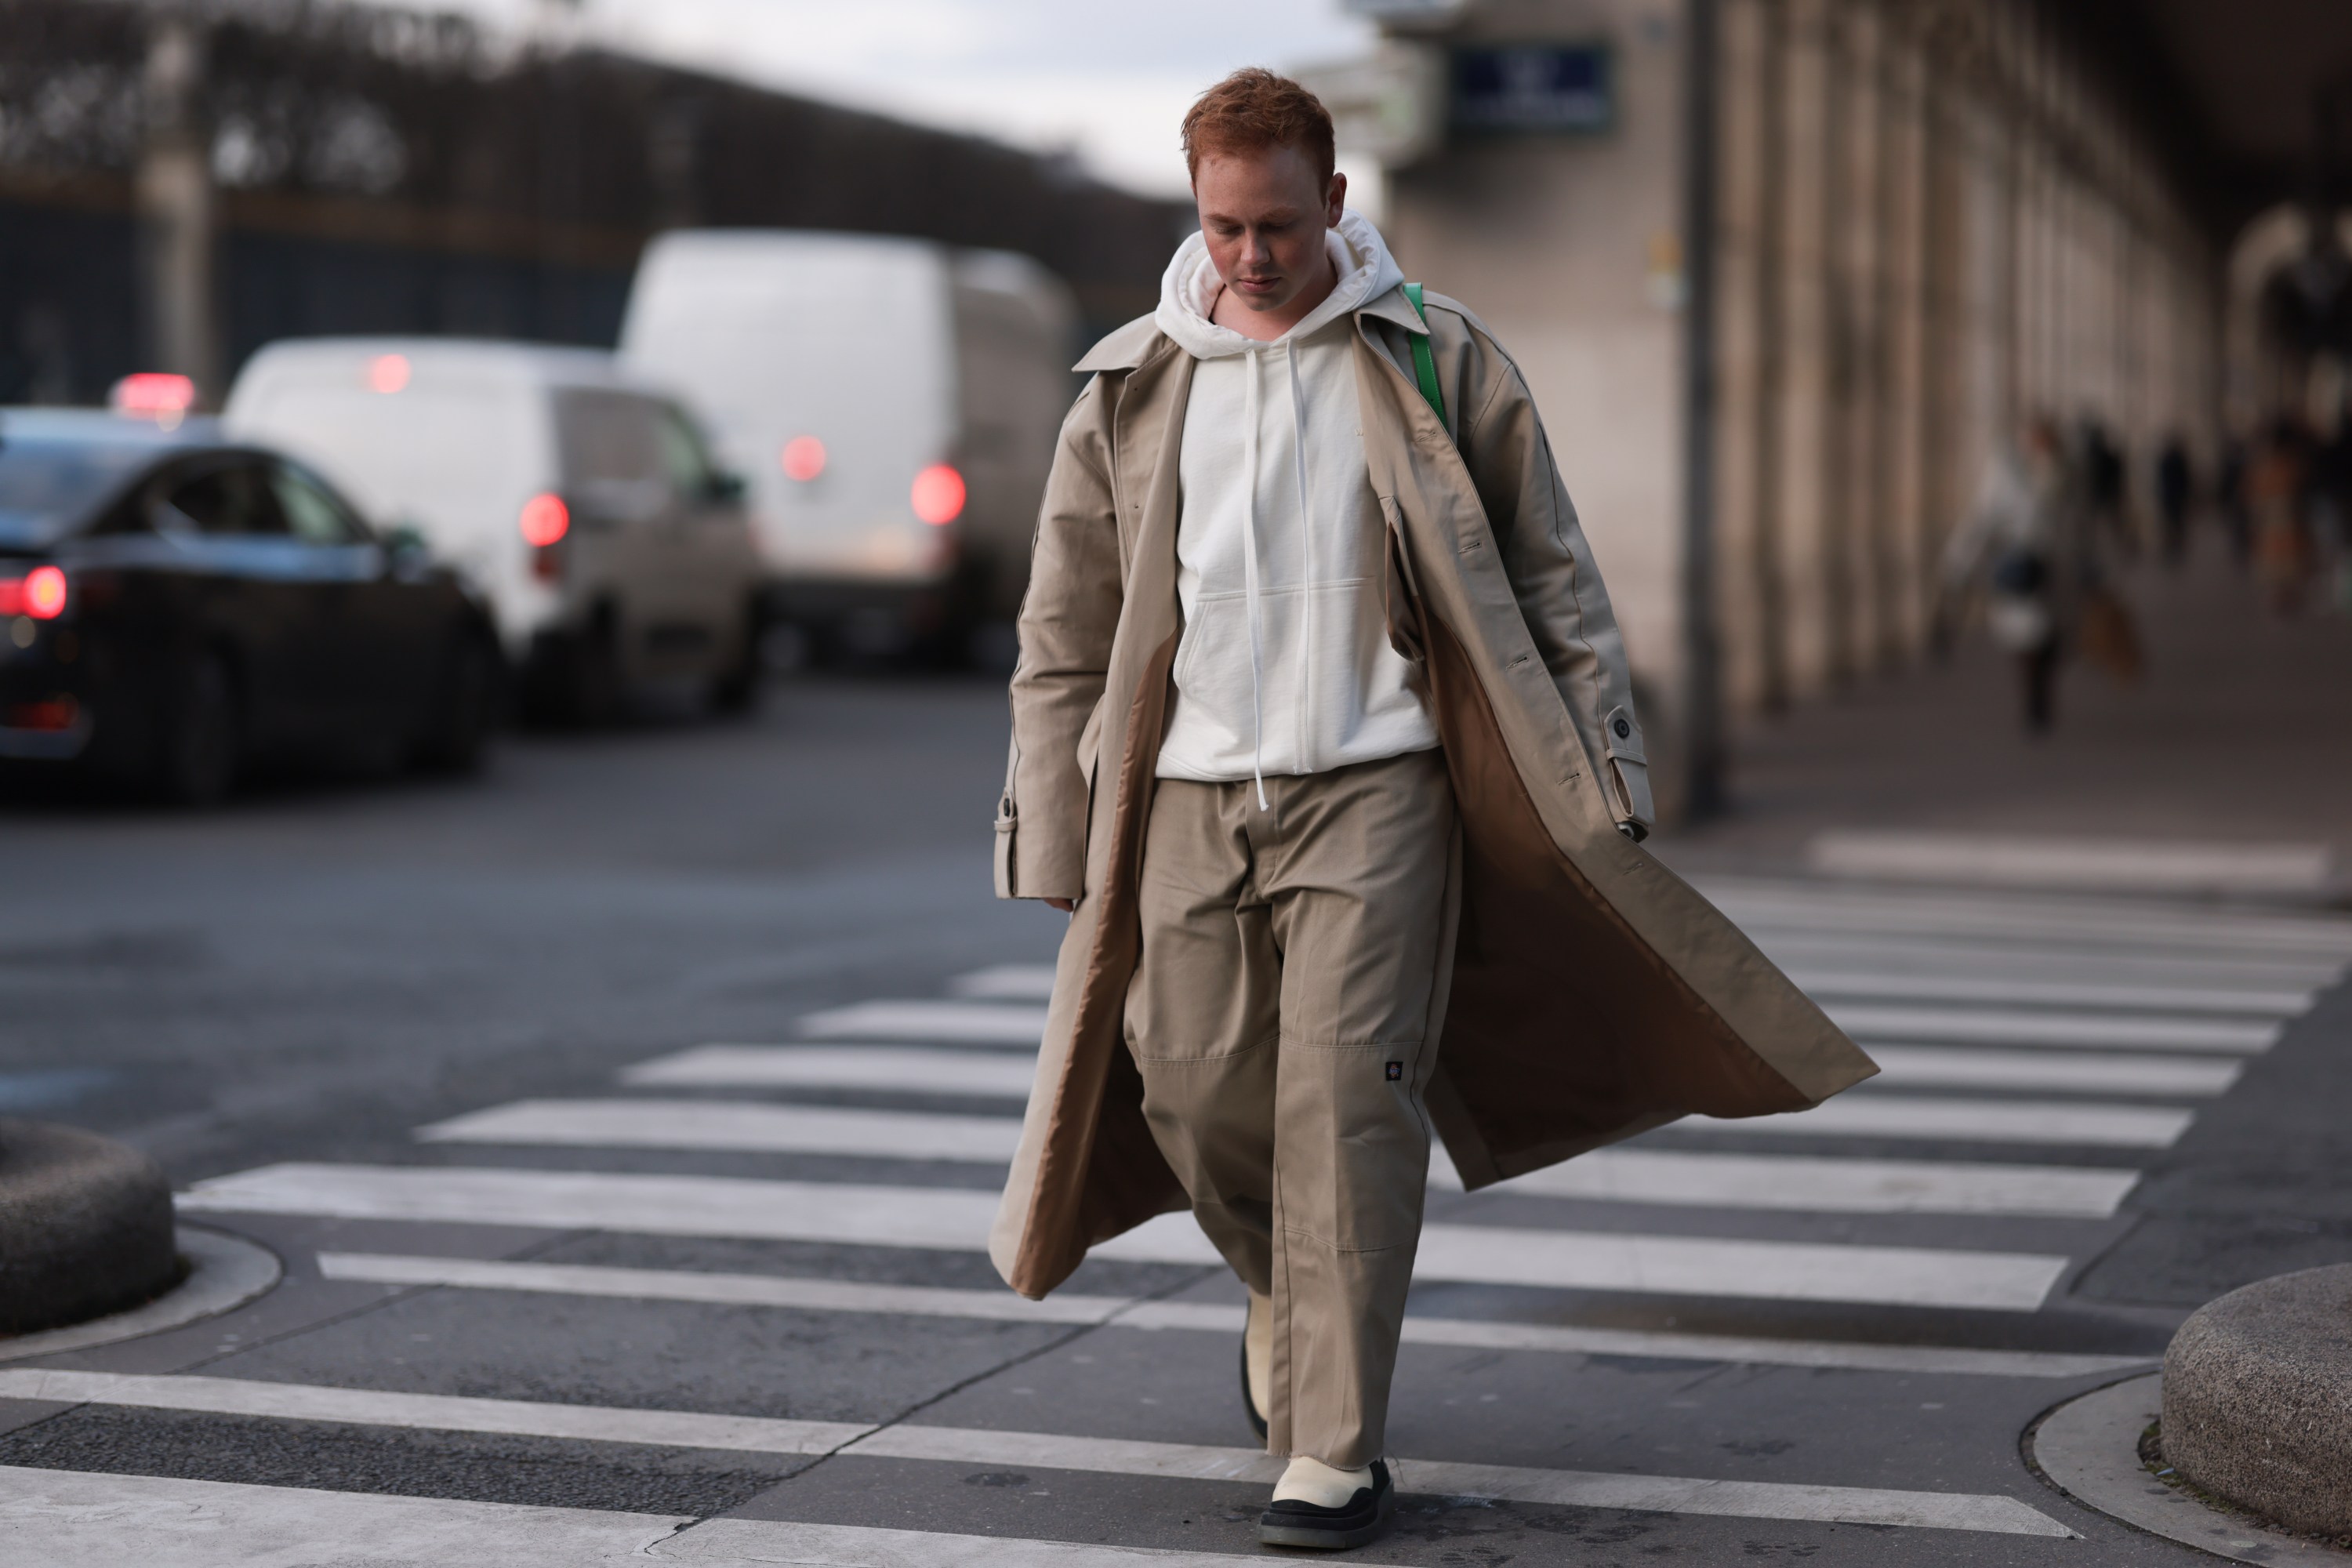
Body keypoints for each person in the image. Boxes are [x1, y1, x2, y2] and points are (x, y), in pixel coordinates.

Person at [989, 68, 1875, 1553]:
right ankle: (1285, 1295)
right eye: (1223, 226)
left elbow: (1554, 575)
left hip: (1381, 788)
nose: (1251, 256)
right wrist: (1050, 827)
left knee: (1351, 1099)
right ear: (1194, 209)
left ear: (1334, 202)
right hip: (1192, 797)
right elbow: (1062, 633)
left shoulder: (1435, 358)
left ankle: (1333, 1448)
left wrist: (1608, 771)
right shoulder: (1136, 382)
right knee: (1190, 1093)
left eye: (1277, 224)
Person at [1938, 416, 2089, 733]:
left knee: (2053, 639)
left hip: (2057, 568)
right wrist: (1958, 565)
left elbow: (2082, 523)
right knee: (2025, 636)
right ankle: (2034, 698)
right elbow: (1982, 519)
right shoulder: (2006, 474)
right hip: (2018, 566)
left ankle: (2041, 689)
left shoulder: (2068, 473)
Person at [2156, 433, 2193, 568]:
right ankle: (2176, 542)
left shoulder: (2167, 458)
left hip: (2170, 494)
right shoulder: (2177, 458)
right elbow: (2185, 477)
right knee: (2176, 520)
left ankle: (2174, 543)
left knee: (2173, 520)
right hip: (2175, 494)